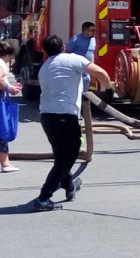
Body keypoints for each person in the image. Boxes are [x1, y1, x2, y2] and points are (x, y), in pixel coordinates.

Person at [33, 35, 112, 211]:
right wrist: (110, 92)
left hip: (46, 117)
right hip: (65, 116)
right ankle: (44, 198)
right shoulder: (72, 59)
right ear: (63, 47)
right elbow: (101, 73)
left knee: (62, 156)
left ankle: (69, 187)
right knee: (66, 158)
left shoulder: (44, 67)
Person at [0, 41, 22, 173]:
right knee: (2, 130)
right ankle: (5, 163)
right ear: (7, 55)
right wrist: (10, 88)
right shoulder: (1, 63)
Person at [67, 21, 96, 91]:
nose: (93, 32)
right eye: (92, 30)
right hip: (78, 68)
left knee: (87, 82)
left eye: (94, 30)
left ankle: (84, 97)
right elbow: (67, 51)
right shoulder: (75, 40)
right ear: (85, 31)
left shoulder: (93, 40)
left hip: (89, 68)